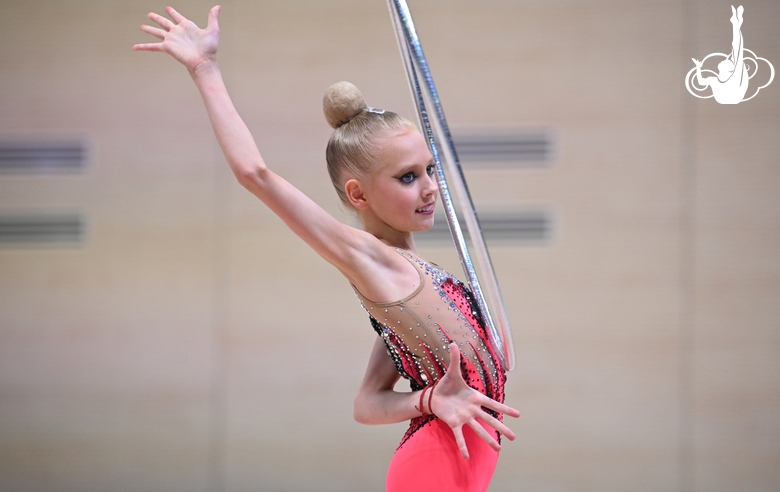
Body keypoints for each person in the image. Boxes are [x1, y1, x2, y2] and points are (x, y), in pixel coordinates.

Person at [134, 6, 520, 491]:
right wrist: (205, 69)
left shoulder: (407, 285)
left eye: (430, 170)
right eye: (407, 177)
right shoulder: (370, 257)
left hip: (455, 460)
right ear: (359, 195)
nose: (429, 189)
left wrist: (427, 401)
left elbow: (367, 404)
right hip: (434, 464)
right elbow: (255, 174)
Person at [692, 5, 748, 104]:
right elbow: (701, 82)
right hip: (730, 97)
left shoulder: (732, 77)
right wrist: (698, 67)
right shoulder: (716, 80)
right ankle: (736, 23)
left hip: (732, 97)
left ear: (729, 69)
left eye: (727, 61)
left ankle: (736, 23)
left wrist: (698, 67)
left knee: (737, 51)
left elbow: (737, 49)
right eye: (728, 60)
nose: (724, 59)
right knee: (737, 51)